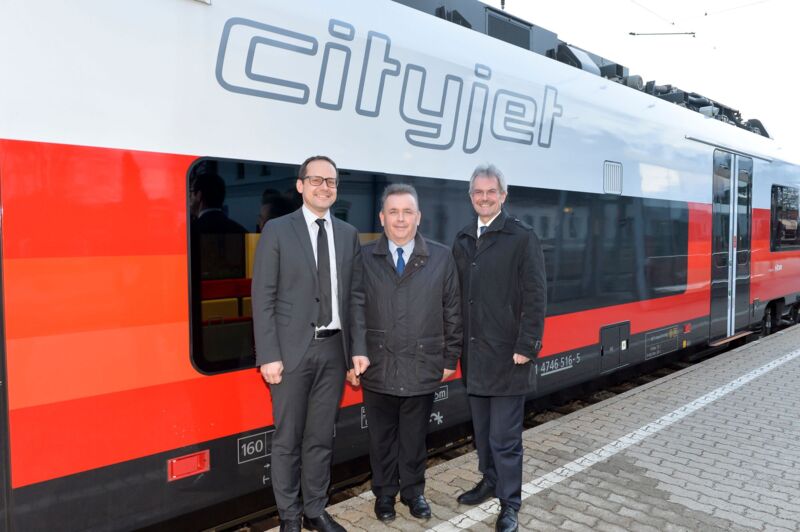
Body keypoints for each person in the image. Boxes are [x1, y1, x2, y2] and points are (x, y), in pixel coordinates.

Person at [252, 155, 368, 532]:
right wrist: (269, 355)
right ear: (300, 186)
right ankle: (289, 516)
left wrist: (357, 350)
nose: (324, 187)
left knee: (320, 437)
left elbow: (355, 298)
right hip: (290, 354)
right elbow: (263, 296)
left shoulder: (348, 234)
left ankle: (315, 509)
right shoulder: (277, 230)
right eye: (316, 180)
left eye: (331, 181)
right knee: (287, 439)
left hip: (334, 352)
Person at [357, 184, 462, 523]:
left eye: (407, 212)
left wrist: (450, 358)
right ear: (381, 217)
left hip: (422, 363)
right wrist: (353, 355)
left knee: (415, 437)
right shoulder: (363, 258)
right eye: (393, 212)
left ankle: (414, 492)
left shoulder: (441, 257)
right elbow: (353, 310)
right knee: (381, 438)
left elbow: (453, 311)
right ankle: (385, 495)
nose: (400, 219)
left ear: (418, 217)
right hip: (377, 364)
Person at [452, 164, 547, 532]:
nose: (485, 198)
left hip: (509, 356)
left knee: (505, 438)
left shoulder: (522, 237)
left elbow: (536, 296)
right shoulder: (463, 239)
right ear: (471, 197)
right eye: (478, 192)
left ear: (503, 196)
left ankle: (510, 503)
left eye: (491, 192)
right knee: (483, 432)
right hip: (475, 355)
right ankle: (490, 480)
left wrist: (527, 345)